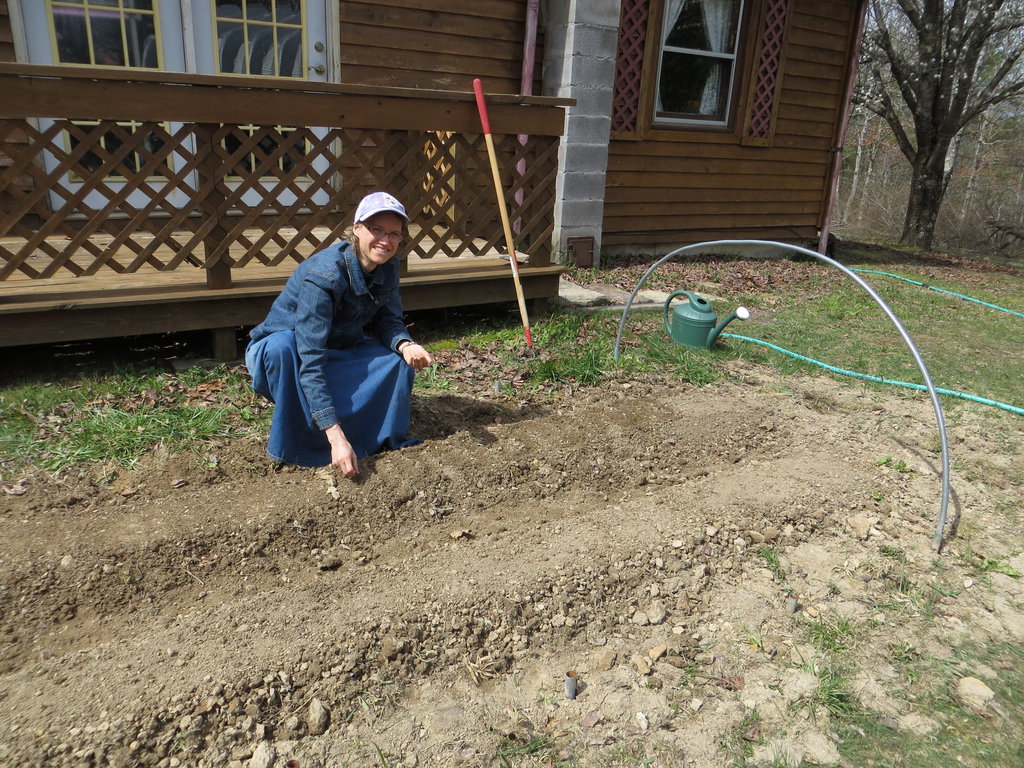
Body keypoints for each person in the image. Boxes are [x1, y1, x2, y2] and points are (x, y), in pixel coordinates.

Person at [245, 192, 434, 476]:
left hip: (339, 347)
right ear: (357, 229)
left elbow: (388, 320)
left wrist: (405, 344)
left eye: (394, 234)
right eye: (377, 230)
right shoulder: (324, 276)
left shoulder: (389, 266)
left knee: (396, 362)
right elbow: (310, 358)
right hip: (289, 354)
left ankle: (373, 440)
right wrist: (335, 437)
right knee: (282, 347)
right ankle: (305, 443)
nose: (385, 241)